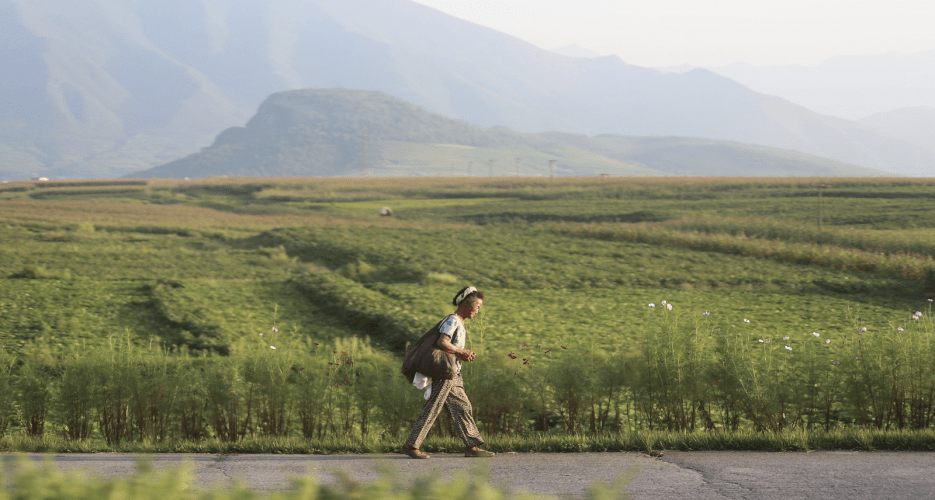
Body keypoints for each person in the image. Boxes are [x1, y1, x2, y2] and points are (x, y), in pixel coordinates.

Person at [401, 286, 495, 459]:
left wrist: (462, 354)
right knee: (433, 408)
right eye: (478, 307)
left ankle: (472, 446)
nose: (478, 311)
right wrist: (462, 352)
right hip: (445, 373)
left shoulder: (459, 321)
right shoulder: (453, 320)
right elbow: (442, 342)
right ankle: (411, 445)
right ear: (467, 304)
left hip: (454, 373)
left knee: (463, 407)